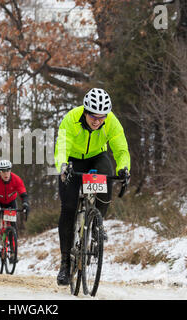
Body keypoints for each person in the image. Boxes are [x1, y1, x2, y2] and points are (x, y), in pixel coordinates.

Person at [54, 88, 131, 285]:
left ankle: (97, 223)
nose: (97, 121)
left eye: (102, 117)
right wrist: (63, 167)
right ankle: (65, 264)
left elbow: (121, 148)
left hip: (97, 157)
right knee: (68, 208)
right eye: (93, 117)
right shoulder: (71, 119)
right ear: (85, 112)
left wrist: (124, 169)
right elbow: (62, 145)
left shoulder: (111, 122)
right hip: (72, 160)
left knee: (106, 180)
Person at [0, 160, 30, 252]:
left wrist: (25, 203)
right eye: (3, 171)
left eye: (8, 170)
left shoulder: (16, 179)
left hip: (10, 202)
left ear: (10, 170)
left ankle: (13, 248)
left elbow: (23, 194)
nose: (6, 173)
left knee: (12, 224)